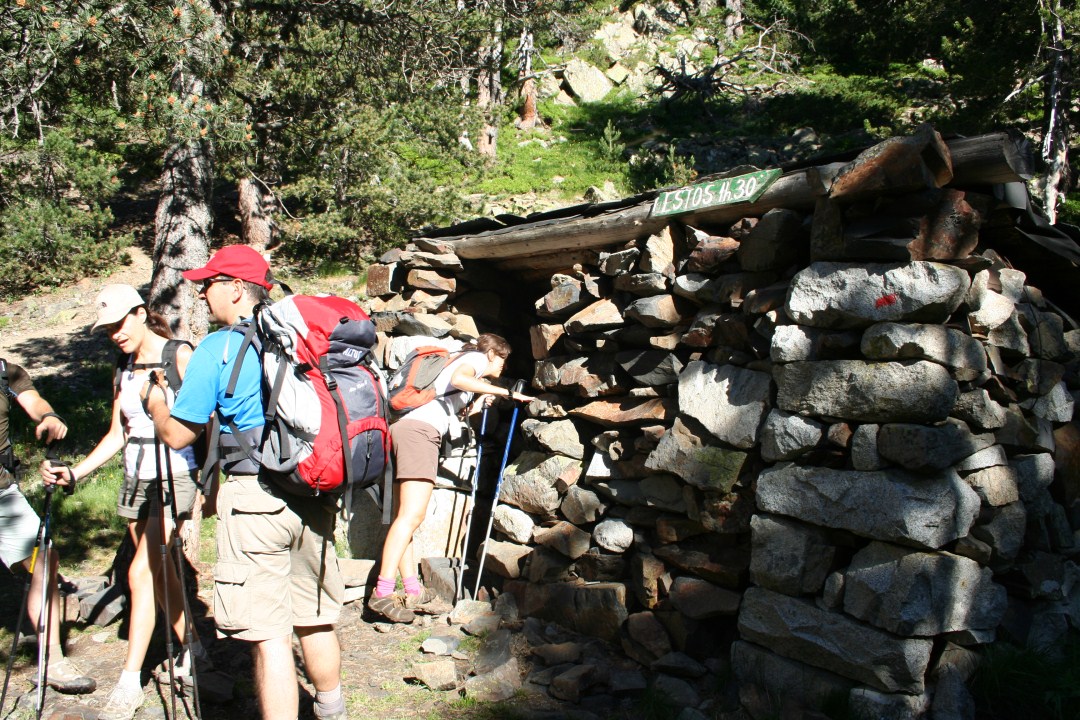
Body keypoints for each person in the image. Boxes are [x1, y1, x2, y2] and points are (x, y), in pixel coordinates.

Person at [142, 245, 348, 720]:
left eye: (208, 284)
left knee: (270, 635)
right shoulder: (299, 338)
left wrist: (156, 402)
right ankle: (333, 712)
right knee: (315, 619)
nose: (200, 294)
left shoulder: (218, 347)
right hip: (311, 489)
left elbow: (177, 433)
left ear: (236, 288)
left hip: (255, 499)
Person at [41, 284, 208, 720]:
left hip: (174, 474)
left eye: (119, 324)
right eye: (107, 329)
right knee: (160, 569)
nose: (114, 334)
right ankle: (193, 645)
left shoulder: (180, 355)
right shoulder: (124, 366)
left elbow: (205, 422)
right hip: (136, 476)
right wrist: (76, 472)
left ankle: (129, 681)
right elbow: (118, 433)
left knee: (139, 572)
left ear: (139, 312)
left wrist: (210, 481)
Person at [368, 333, 534, 623]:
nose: (502, 367)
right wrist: (505, 392)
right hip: (419, 433)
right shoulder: (475, 359)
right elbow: (460, 379)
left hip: (405, 429)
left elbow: (451, 400)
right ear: (493, 353)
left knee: (404, 517)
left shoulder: (460, 364)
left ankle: (412, 590)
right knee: (410, 517)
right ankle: (381, 593)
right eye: (503, 359)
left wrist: (477, 402)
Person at [0, 359, 95, 695]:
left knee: (45, 559)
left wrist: (50, 416)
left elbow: (33, 400)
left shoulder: (5, 371)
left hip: (2, 495)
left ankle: (51, 661)